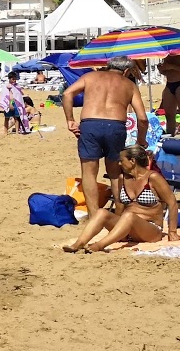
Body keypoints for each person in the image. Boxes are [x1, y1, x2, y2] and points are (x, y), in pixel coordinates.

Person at [63, 56, 147, 202]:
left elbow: (67, 93)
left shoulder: (90, 77)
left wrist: (70, 120)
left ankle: (93, 216)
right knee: (115, 173)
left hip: (90, 124)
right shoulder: (129, 85)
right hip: (116, 126)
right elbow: (142, 119)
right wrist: (141, 140)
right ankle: (119, 213)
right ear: (126, 70)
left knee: (89, 173)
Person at [63, 146, 177, 252]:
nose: (119, 163)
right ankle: (79, 243)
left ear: (132, 161)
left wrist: (172, 232)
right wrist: (117, 227)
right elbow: (120, 206)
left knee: (129, 216)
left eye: (122, 160)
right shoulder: (123, 178)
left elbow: (172, 203)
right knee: (102, 212)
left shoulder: (153, 178)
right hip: (127, 228)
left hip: (150, 229)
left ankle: (99, 245)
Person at [160, 52, 180, 137]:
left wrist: (171, 67)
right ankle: (170, 136)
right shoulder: (166, 53)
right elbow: (167, 72)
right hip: (169, 83)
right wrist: (162, 69)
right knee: (169, 115)